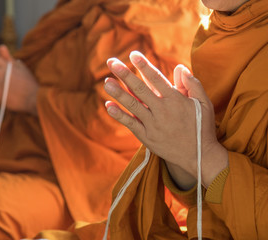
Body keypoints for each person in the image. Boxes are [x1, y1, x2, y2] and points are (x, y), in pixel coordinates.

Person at [0, 0, 202, 239]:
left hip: (83, 178)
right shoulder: (87, 6)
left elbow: (126, 121)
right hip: (22, 145)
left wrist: (30, 97)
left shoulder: (172, 19)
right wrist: (1, 79)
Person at [35, 0, 268, 239]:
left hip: (82, 171)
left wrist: (34, 98)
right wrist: (181, 152)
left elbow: (111, 129)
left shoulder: (172, 18)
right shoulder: (219, 28)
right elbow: (203, 198)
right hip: (38, 147)